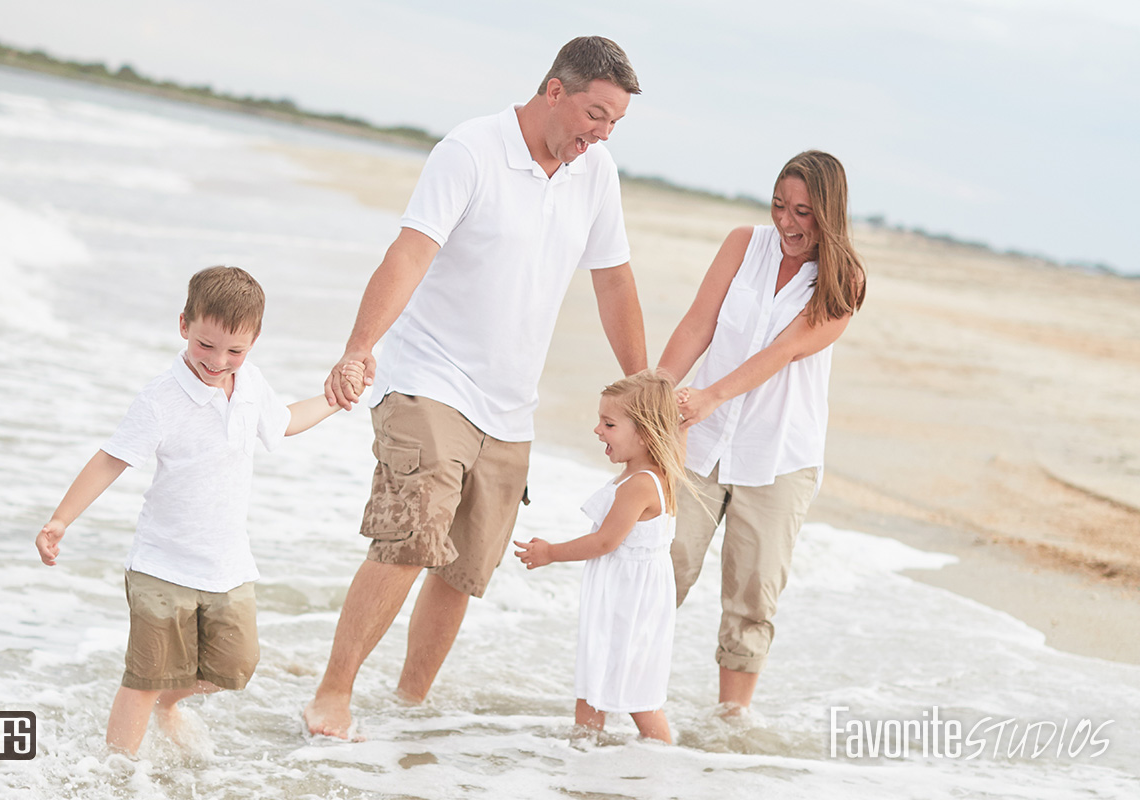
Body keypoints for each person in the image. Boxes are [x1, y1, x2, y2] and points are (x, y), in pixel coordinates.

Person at [304, 36, 648, 739]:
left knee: (459, 570)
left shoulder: (596, 172)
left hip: (509, 405)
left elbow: (613, 279)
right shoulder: (471, 150)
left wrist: (645, 392)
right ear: (555, 90)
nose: (602, 133)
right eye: (595, 113)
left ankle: (406, 709)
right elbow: (410, 251)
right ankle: (331, 697)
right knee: (410, 541)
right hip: (428, 380)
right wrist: (358, 348)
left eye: (614, 122)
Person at [34, 266, 365, 755]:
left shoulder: (249, 382)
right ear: (184, 324)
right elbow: (111, 459)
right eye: (206, 345)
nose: (217, 361)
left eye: (235, 350)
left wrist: (337, 400)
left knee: (233, 668)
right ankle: (115, 772)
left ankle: (167, 706)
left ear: (254, 341)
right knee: (145, 676)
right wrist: (61, 519)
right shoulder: (160, 399)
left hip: (227, 565)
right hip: (162, 563)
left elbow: (286, 421)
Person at [656, 150, 867, 714]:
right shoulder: (741, 244)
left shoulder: (845, 281)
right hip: (699, 443)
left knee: (751, 597)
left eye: (804, 211)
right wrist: (654, 393)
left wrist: (709, 395)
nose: (787, 223)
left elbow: (783, 352)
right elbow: (698, 322)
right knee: (661, 567)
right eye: (779, 206)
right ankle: (617, 694)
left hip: (778, 458)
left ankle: (730, 726)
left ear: (830, 212)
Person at [514, 371, 683, 743]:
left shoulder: (640, 483)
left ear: (644, 432)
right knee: (604, 678)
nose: (597, 430)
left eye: (608, 424)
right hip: (626, 596)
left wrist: (551, 553)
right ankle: (587, 756)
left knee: (635, 691)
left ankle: (655, 761)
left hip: (628, 601)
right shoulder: (644, 473)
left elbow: (606, 542)